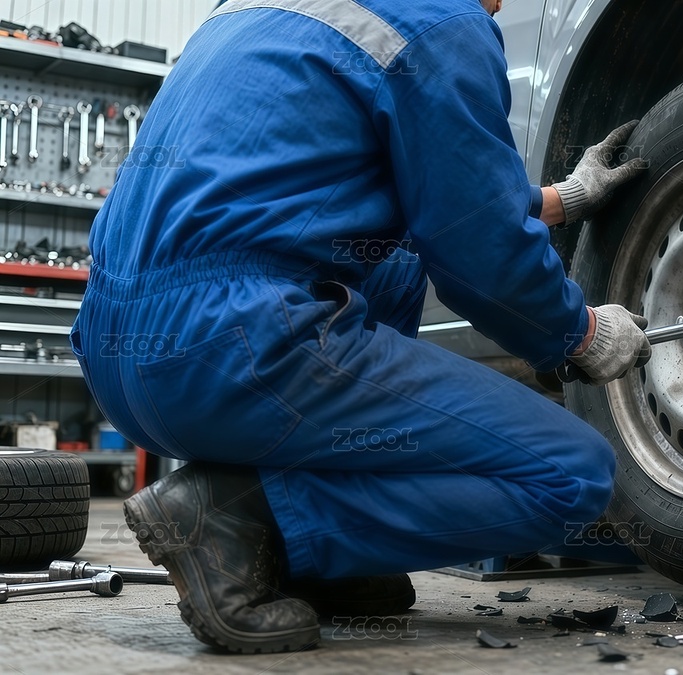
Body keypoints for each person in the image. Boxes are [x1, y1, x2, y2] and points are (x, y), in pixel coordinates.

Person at [70, 0, 649, 653]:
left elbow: (443, 199)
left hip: (119, 347)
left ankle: (319, 565)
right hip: (236, 344)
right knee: (573, 475)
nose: (503, 6)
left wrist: (567, 198)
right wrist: (580, 332)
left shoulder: (260, 9)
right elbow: (479, 254)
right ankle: (245, 520)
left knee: (394, 260)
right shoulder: (442, 23)